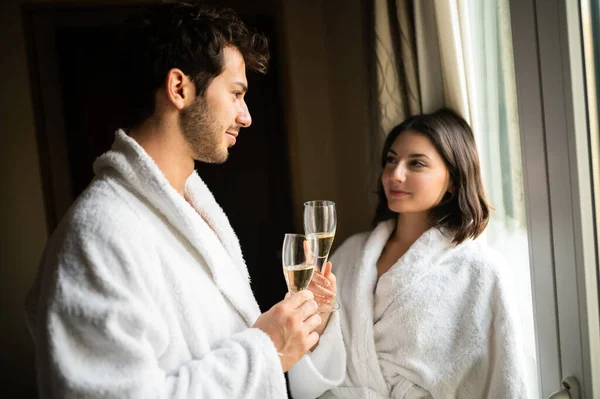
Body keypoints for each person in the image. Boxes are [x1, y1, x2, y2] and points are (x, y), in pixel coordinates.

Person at [24, 2, 323, 397]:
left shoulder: (191, 207)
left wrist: (290, 328)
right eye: (235, 93)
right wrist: (266, 350)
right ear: (179, 88)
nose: (246, 116)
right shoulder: (97, 234)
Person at [289, 108, 529, 398]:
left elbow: (505, 379)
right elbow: (308, 369)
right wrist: (321, 315)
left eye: (416, 164)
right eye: (391, 160)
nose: (395, 175)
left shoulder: (481, 270)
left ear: (453, 179)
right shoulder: (351, 253)